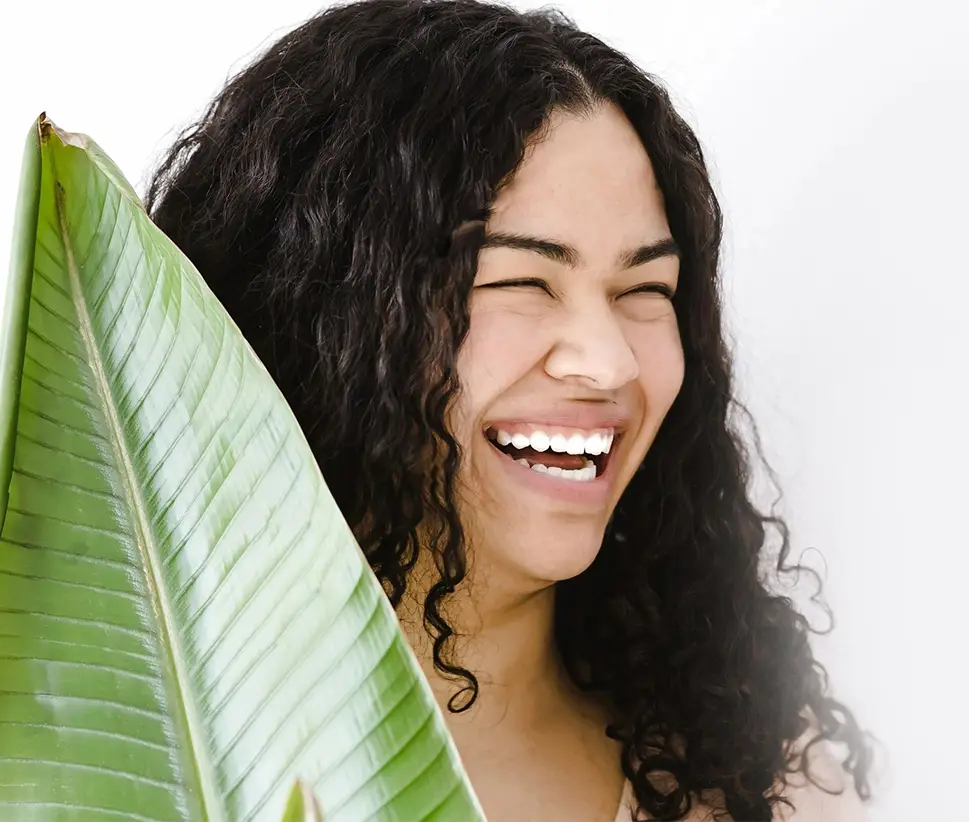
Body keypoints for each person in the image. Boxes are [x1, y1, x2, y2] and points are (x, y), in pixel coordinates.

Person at [141, 1, 874, 819]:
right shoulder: (138, 753)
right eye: (523, 282)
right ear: (332, 316)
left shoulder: (764, 777)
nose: (609, 363)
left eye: (644, 290)